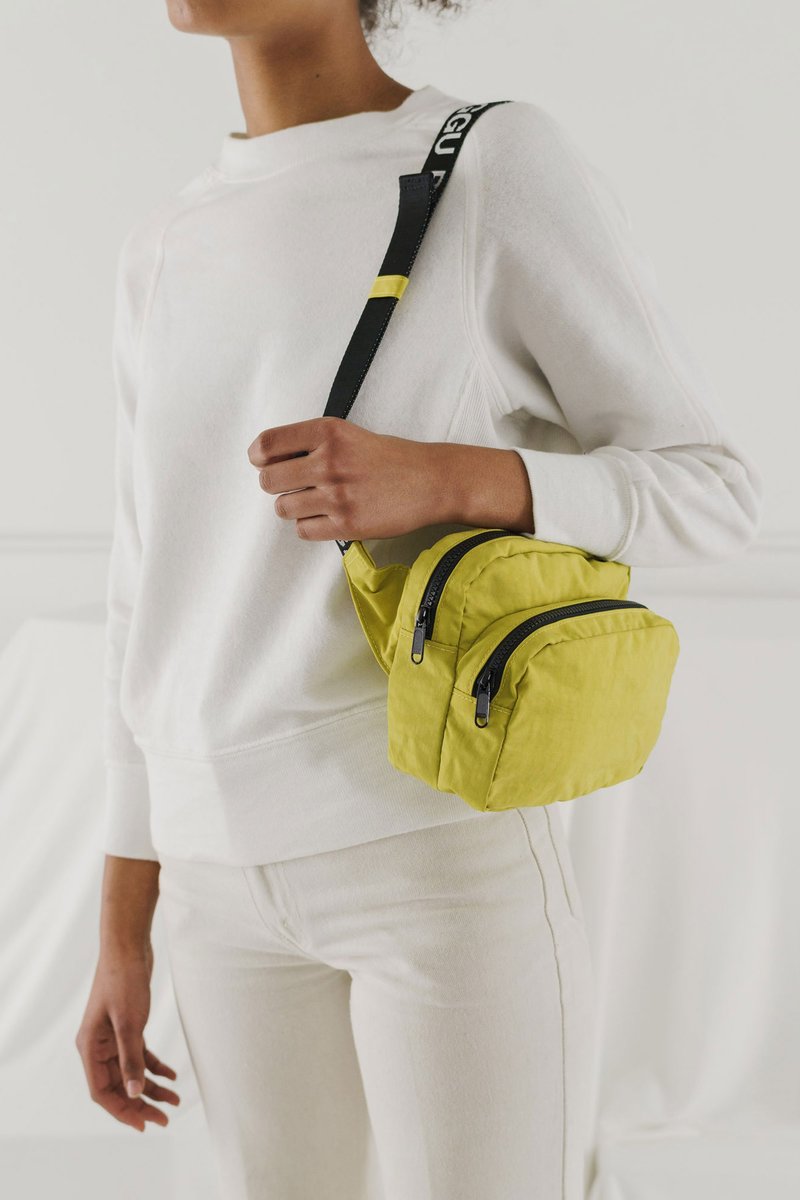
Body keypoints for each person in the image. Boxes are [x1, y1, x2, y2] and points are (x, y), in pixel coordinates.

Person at [74, 1, 763, 1197]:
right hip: (211, 889)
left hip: (431, 859)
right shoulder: (164, 243)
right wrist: (121, 928)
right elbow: (143, 593)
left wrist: (451, 478)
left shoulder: (485, 165)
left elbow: (711, 492)